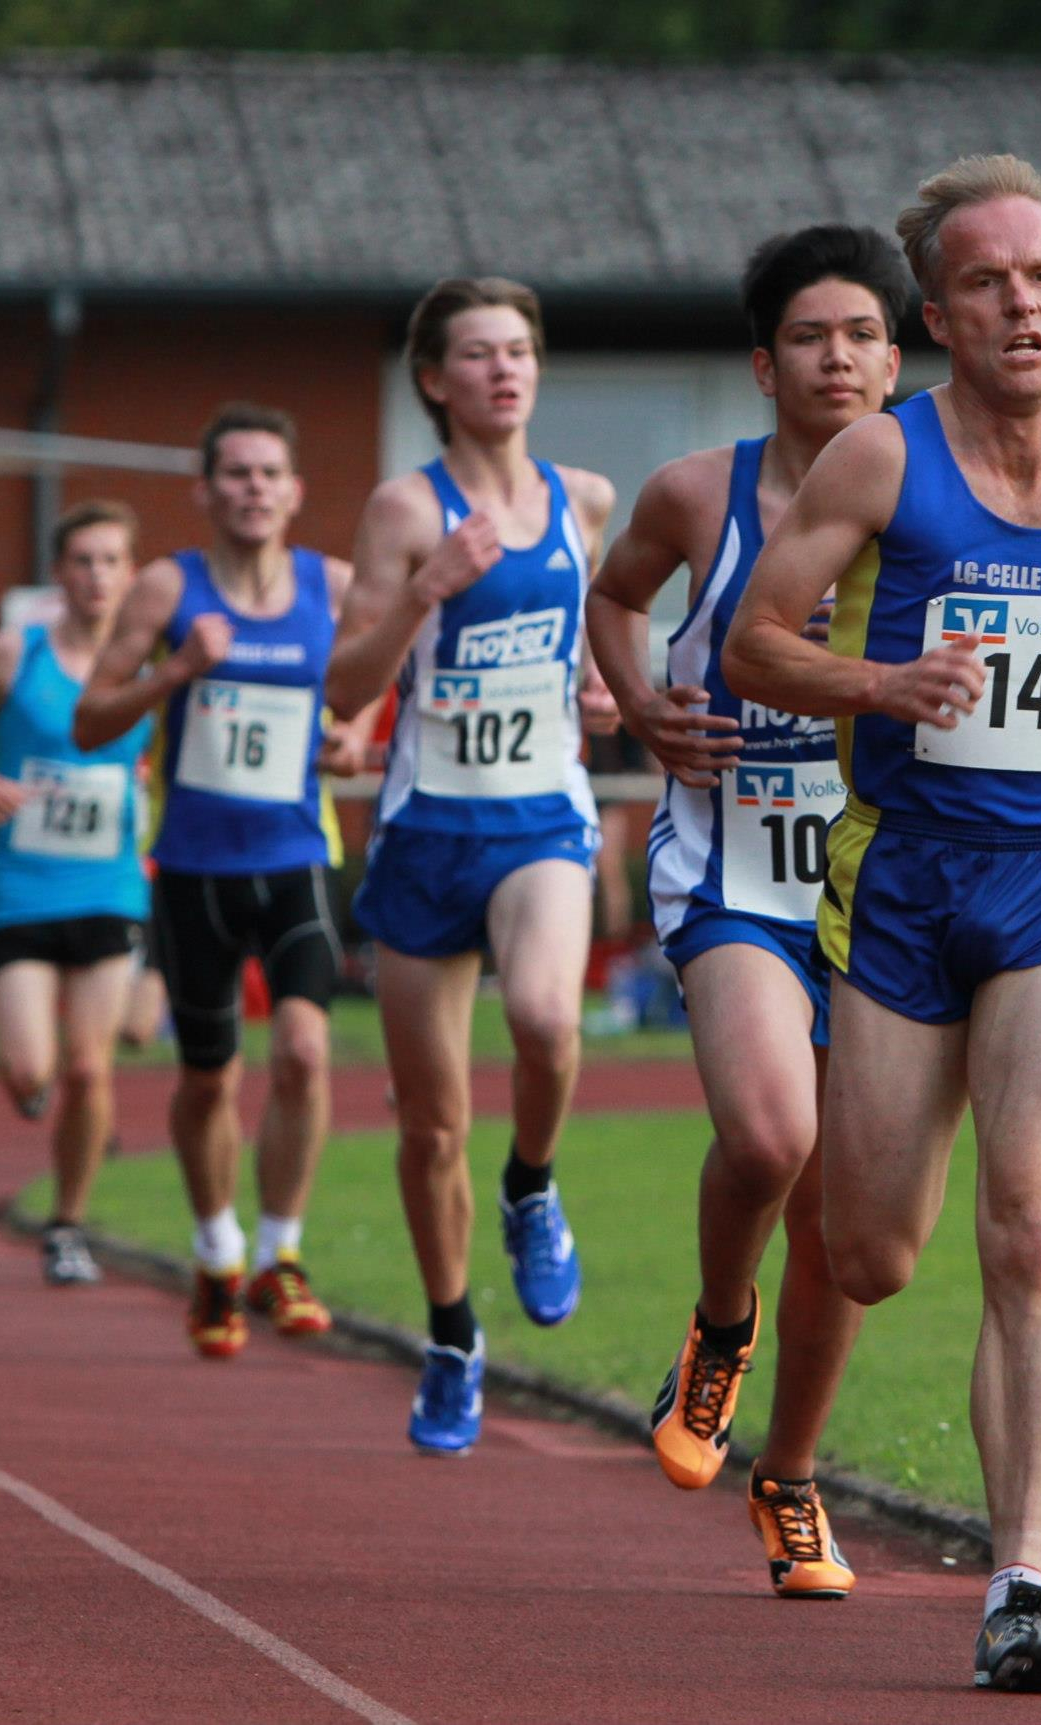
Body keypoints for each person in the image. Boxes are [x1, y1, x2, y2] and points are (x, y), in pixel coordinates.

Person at [722, 155, 1041, 1692]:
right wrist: (881, 683)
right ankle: (766, 1327)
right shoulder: (880, 459)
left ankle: (1019, 1588)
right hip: (905, 882)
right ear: (938, 315)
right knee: (872, 1253)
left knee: (1034, 1225)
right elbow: (753, 643)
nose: (1023, 304)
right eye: (988, 283)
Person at [586, 225, 911, 1597]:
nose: (837, 359)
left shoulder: (935, 503)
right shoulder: (695, 495)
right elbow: (613, 598)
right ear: (765, 365)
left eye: (861, 336)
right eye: (808, 337)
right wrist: (643, 708)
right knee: (772, 1135)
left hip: (879, 894)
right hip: (732, 874)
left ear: (894, 358)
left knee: (842, 1215)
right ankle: (721, 1329)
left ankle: (791, 1475)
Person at [327, 277, 618, 1455]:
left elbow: (590, 637)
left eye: (519, 352)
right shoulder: (405, 508)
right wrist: (424, 591)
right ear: (433, 380)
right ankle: (451, 1334)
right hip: (426, 831)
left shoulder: (583, 500)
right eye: (479, 354)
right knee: (429, 1126)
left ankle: (531, 1185)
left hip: (540, 816)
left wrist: (602, 687)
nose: (504, 371)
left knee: (546, 1019)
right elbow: (344, 687)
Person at [77, 403, 377, 1355]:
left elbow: (386, 678)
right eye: (237, 473)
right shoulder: (168, 588)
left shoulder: (335, 585)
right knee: (208, 1079)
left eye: (269, 473)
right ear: (205, 491)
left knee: (304, 1051)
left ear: (295, 491)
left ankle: (280, 1253)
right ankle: (216, 1251)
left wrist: (354, 734)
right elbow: (89, 720)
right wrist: (175, 674)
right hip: (195, 868)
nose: (254, 489)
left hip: (297, 857)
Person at [0, 500, 153, 1285]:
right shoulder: (14, 650)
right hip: (25, 890)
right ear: (59, 572)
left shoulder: (150, 661)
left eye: (111, 561)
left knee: (90, 1069)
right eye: (83, 561)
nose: (97, 576)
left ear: (131, 573)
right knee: (30, 1069)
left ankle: (67, 1224)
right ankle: (37, 1095)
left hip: (110, 885)